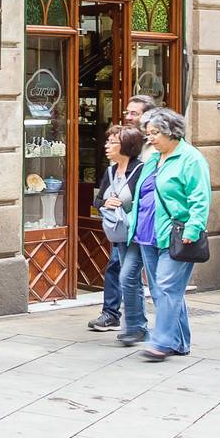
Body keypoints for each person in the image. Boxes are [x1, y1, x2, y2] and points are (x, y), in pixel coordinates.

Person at [123, 107, 210, 361]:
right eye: (148, 133)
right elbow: (141, 194)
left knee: (167, 288)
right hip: (148, 235)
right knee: (163, 290)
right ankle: (179, 342)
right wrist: (133, 221)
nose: (150, 138)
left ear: (172, 132)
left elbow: (200, 198)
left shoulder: (190, 159)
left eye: (155, 133)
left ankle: (160, 343)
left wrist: (193, 228)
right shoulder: (153, 159)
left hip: (177, 234)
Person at [90, 124, 145, 333]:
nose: (106, 146)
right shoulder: (111, 171)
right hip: (118, 232)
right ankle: (133, 326)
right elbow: (97, 200)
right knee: (126, 276)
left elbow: (146, 202)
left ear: (127, 146)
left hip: (137, 233)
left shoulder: (140, 170)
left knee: (129, 277)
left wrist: (124, 204)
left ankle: (136, 326)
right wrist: (106, 203)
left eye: (112, 142)